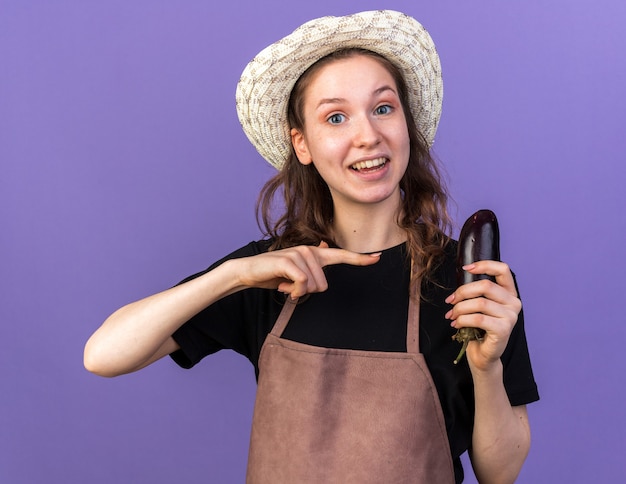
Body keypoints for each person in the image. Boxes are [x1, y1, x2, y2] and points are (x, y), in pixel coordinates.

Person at [84, 10, 539, 484]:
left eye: (383, 108)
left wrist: (486, 370)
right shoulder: (268, 273)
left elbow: (499, 472)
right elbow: (104, 355)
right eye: (336, 117)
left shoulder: (468, 281)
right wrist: (231, 276)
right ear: (302, 144)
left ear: (406, 124)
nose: (367, 136)